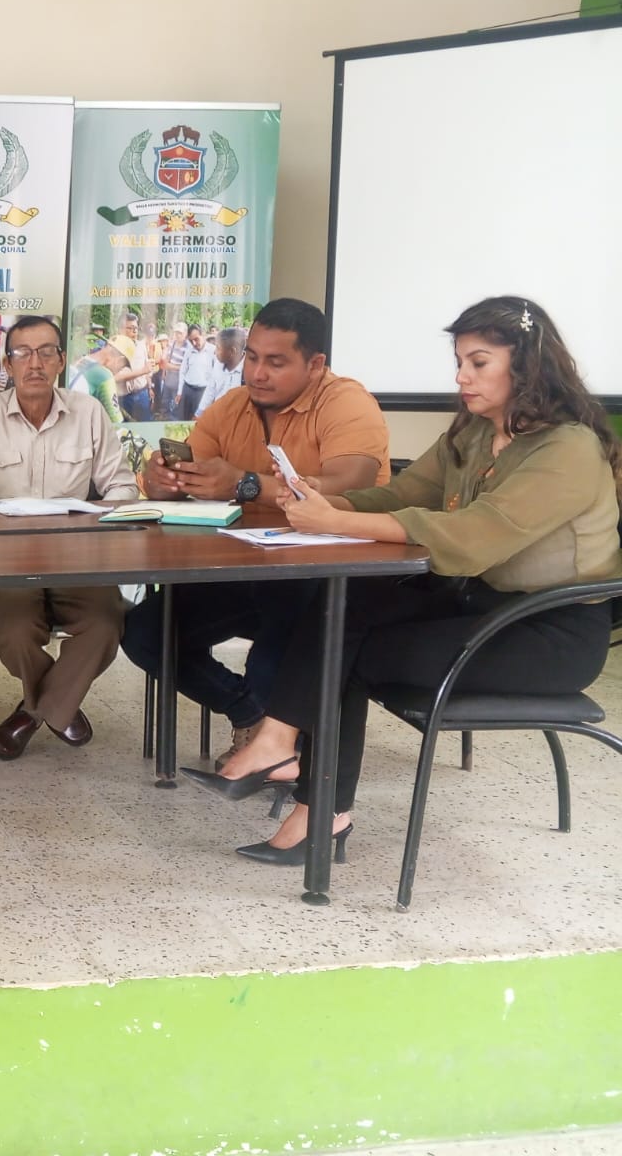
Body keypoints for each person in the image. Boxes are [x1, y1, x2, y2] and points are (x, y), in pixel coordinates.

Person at [187, 297, 622, 865]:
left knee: (345, 650)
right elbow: (399, 495)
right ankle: (283, 756)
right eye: (460, 361)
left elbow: (473, 536)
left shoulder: (568, 448)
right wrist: (323, 501)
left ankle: (313, 802)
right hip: (478, 604)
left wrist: (334, 522)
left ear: (527, 365)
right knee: (344, 603)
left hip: (548, 632)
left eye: (479, 363)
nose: (461, 377)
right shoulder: (473, 432)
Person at [120, 297, 390, 768]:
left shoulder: (347, 401)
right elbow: (189, 469)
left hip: (324, 577)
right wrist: (165, 479)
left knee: (281, 629)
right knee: (143, 632)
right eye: (252, 357)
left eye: (276, 362)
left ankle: (273, 747)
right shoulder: (233, 404)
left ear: (315, 364)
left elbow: (353, 484)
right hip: (244, 567)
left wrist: (245, 484)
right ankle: (251, 713)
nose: (257, 373)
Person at [0, 316, 139, 759]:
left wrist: (90, 520)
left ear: (61, 361)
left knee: (106, 623)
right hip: (5, 560)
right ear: (7, 364)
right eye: (23, 353)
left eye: (46, 352)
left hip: (76, 558)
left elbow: (123, 489)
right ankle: (59, 704)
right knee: (14, 631)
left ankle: (31, 713)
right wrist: (3, 527)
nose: (35, 363)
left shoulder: (88, 413)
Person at [106, 311, 153, 421]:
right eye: (130, 328)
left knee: (145, 425)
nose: (134, 331)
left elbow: (147, 367)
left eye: (136, 328)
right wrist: (143, 370)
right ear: (120, 329)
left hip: (142, 394)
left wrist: (150, 388)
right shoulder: (112, 348)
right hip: (122, 398)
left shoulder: (141, 345)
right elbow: (114, 378)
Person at [194, 326, 246, 417]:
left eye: (218, 348)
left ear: (232, 351)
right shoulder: (218, 365)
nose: (215, 352)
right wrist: (199, 414)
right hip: (219, 418)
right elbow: (210, 391)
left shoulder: (248, 371)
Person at [177, 324, 218, 420]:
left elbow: (217, 375)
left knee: (199, 421)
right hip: (187, 390)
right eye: (191, 341)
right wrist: (180, 391)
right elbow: (183, 371)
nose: (194, 343)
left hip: (203, 392)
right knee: (183, 420)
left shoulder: (213, 351)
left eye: (196, 339)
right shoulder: (189, 351)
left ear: (203, 335)